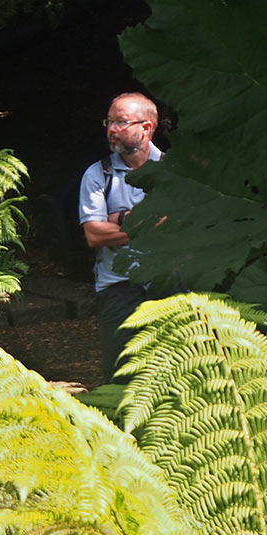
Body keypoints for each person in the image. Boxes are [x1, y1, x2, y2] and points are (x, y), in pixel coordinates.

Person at [79, 92, 162, 379]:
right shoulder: (97, 175)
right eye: (109, 122)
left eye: (121, 122)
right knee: (120, 375)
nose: (112, 129)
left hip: (168, 283)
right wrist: (144, 222)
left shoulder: (172, 171)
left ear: (146, 128)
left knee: (175, 368)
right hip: (117, 286)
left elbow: (178, 225)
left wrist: (119, 220)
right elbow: (94, 235)